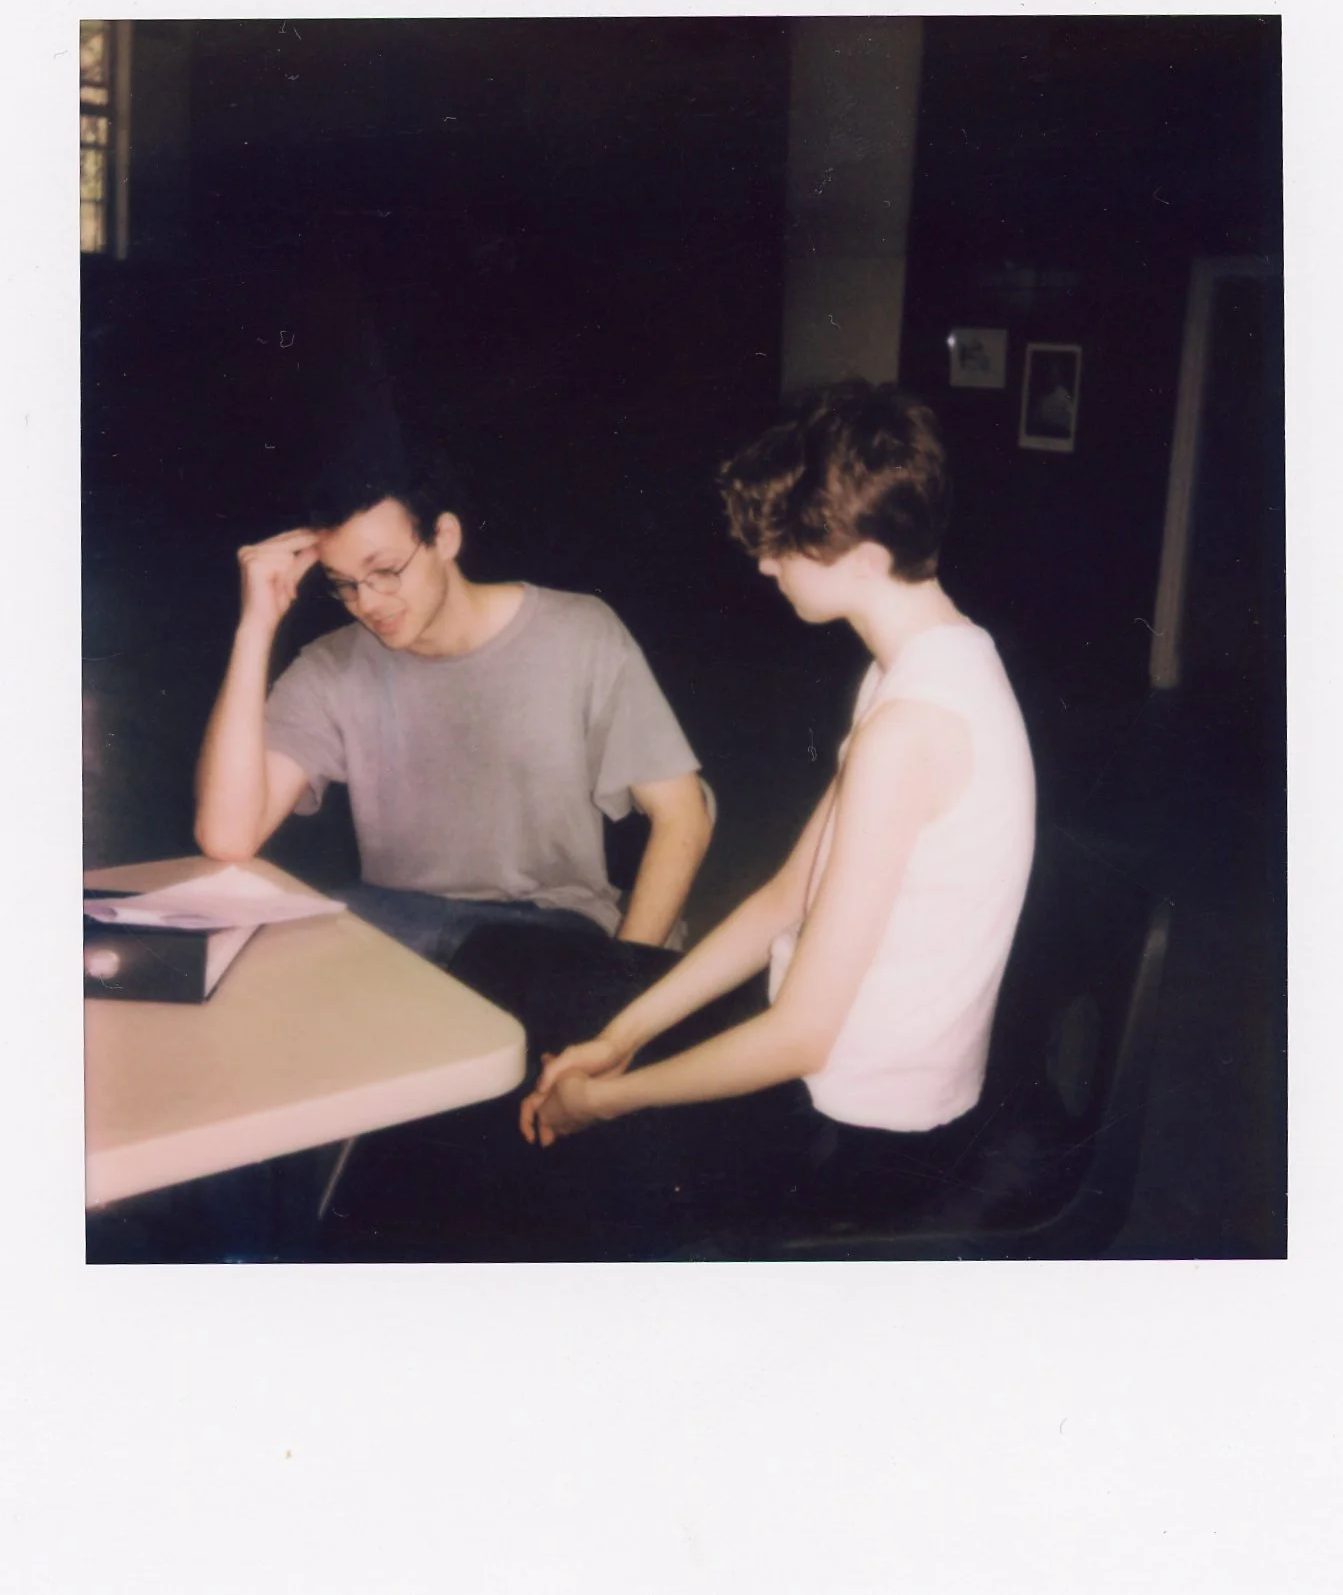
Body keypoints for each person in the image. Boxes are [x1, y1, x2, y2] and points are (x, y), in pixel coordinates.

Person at [517, 381, 1037, 1255]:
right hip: (844, 1078)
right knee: (583, 1015)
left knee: (584, 1193)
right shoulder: (929, 662)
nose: (764, 565)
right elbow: (779, 901)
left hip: (869, 1135)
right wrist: (617, 1042)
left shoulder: (910, 727)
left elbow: (799, 1037)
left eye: (785, 546)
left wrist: (601, 1099)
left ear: (866, 559)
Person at [194, 468, 714, 966]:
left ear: (445, 537)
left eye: (385, 570)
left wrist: (620, 984)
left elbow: (682, 816)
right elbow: (228, 837)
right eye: (345, 584)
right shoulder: (332, 666)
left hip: (546, 925)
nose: (368, 602)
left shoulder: (578, 633)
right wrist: (255, 628)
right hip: (389, 920)